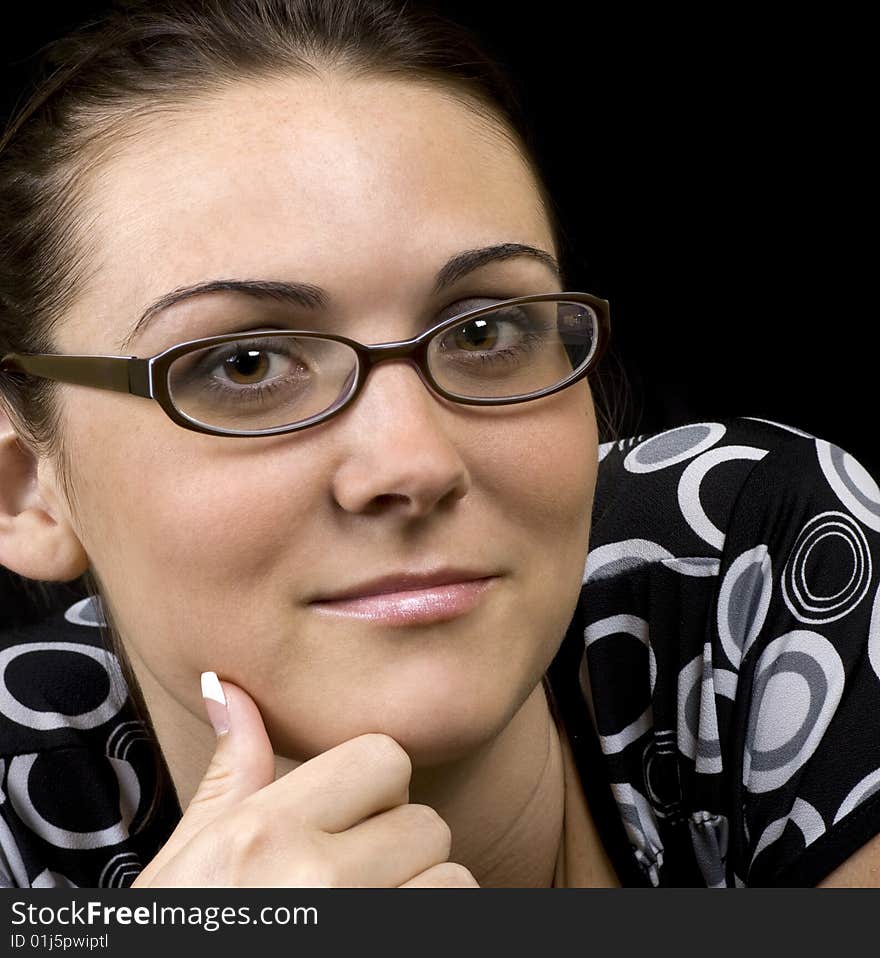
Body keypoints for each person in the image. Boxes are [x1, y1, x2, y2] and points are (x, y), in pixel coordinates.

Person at [0, 0, 878, 888]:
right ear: (24, 485)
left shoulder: (761, 564)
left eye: (485, 332)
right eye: (245, 363)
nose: (414, 462)